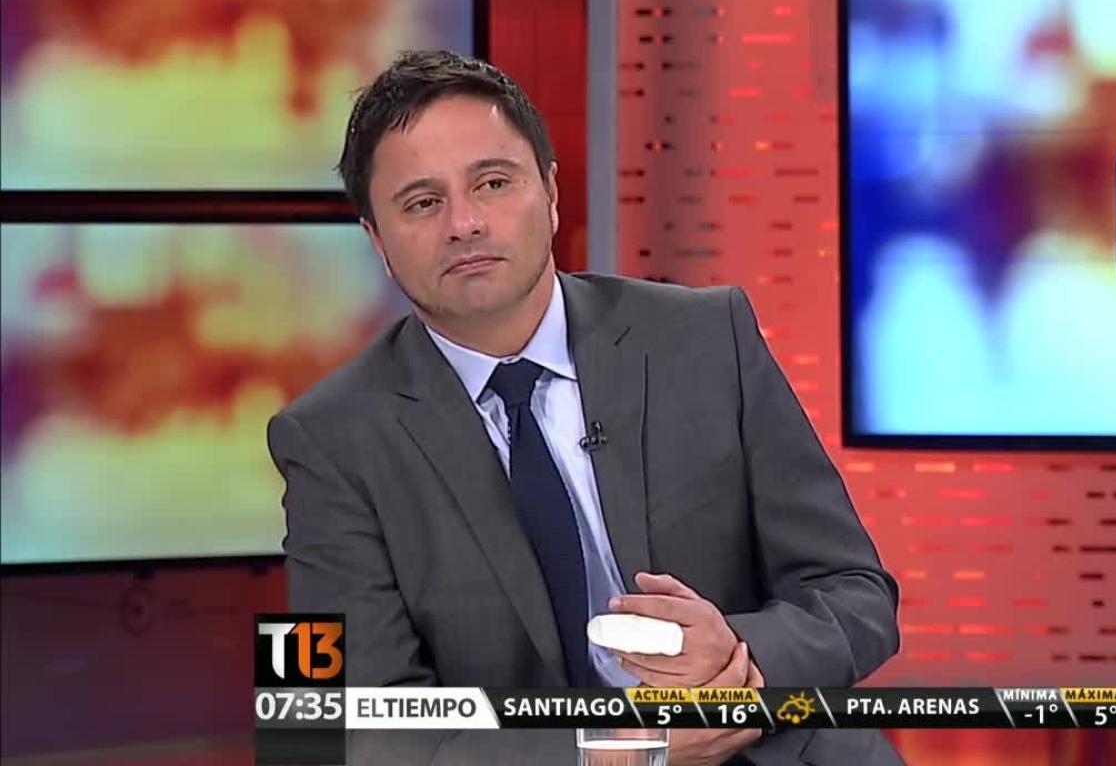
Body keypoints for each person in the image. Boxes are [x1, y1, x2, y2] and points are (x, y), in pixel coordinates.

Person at [269, 50, 901, 765]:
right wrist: (612, 752)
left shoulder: (705, 338)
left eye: (493, 183)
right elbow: (350, 723)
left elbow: (855, 594)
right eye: (422, 202)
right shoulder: (330, 439)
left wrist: (740, 659)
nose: (465, 223)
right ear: (377, 241)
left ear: (550, 192)